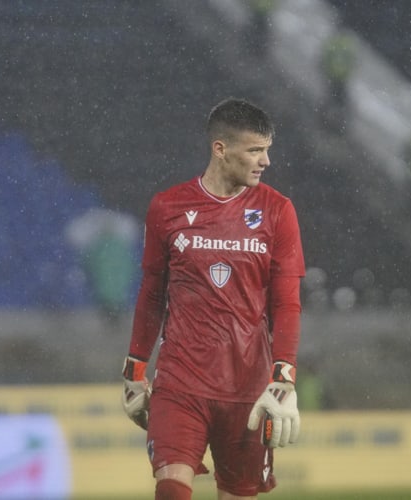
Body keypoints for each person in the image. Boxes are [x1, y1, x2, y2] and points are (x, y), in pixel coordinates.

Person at [121, 98, 306, 499]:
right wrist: (135, 369)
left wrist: (283, 379)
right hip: (180, 381)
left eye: (267, 150)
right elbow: (152, 294)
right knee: (171, 487)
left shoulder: (278, 212)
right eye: (255, 150)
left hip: (247, 386)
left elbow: (287, 304)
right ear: (220, 149)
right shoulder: (167, 207)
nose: (266, 161)